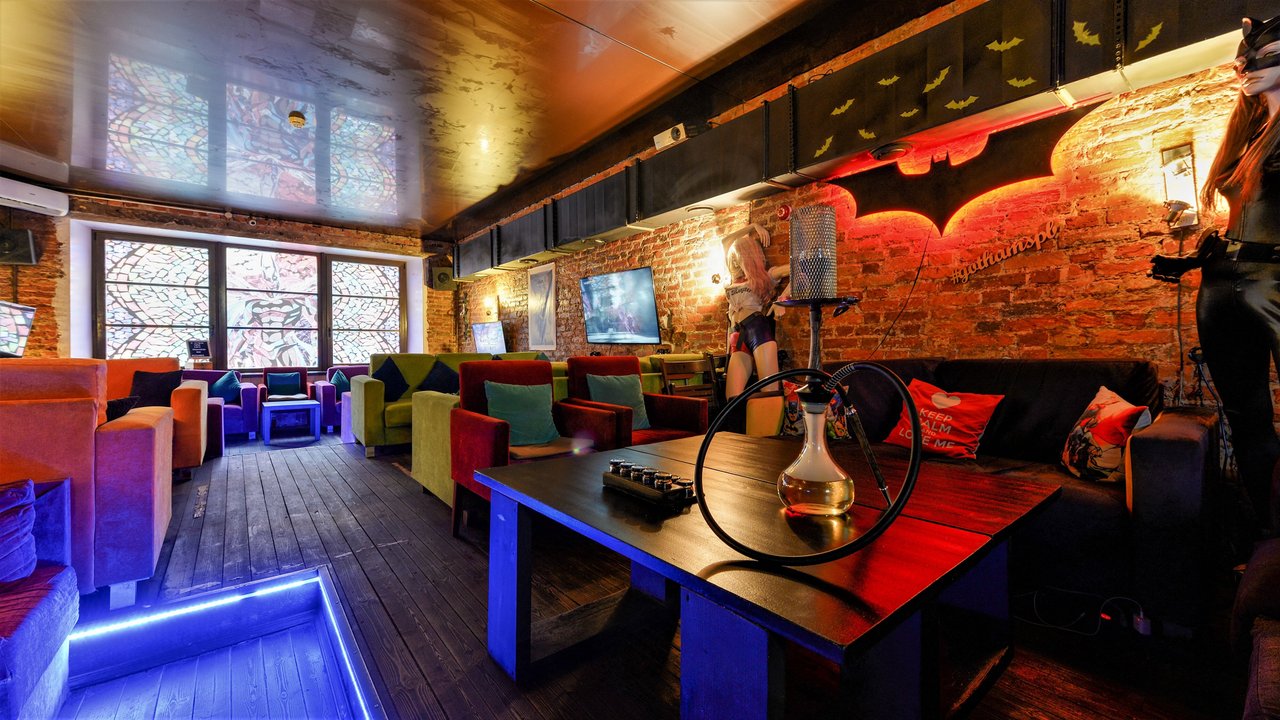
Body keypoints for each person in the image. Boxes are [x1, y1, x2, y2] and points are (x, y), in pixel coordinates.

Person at [1151, 16, 1280, 532]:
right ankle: (1270, 535)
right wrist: (1195, 257)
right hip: (1221, 283)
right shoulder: (1247, 133)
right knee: (1247, 419)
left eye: (1264, 54)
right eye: (1242, 59)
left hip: (1274, 281)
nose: (1246, 67)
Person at [722, 224, 790, 401]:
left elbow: (800, 267)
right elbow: (725, 241)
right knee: (732, 399)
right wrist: (752, 227)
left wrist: (782, 300)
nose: (733, 261)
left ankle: (769, 419)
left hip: (758, 331)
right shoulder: (732, 278)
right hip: (737, 336)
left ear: (746, 256)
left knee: (770, 394)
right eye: (733, 256)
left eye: (737, 255)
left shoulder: (765, 276)